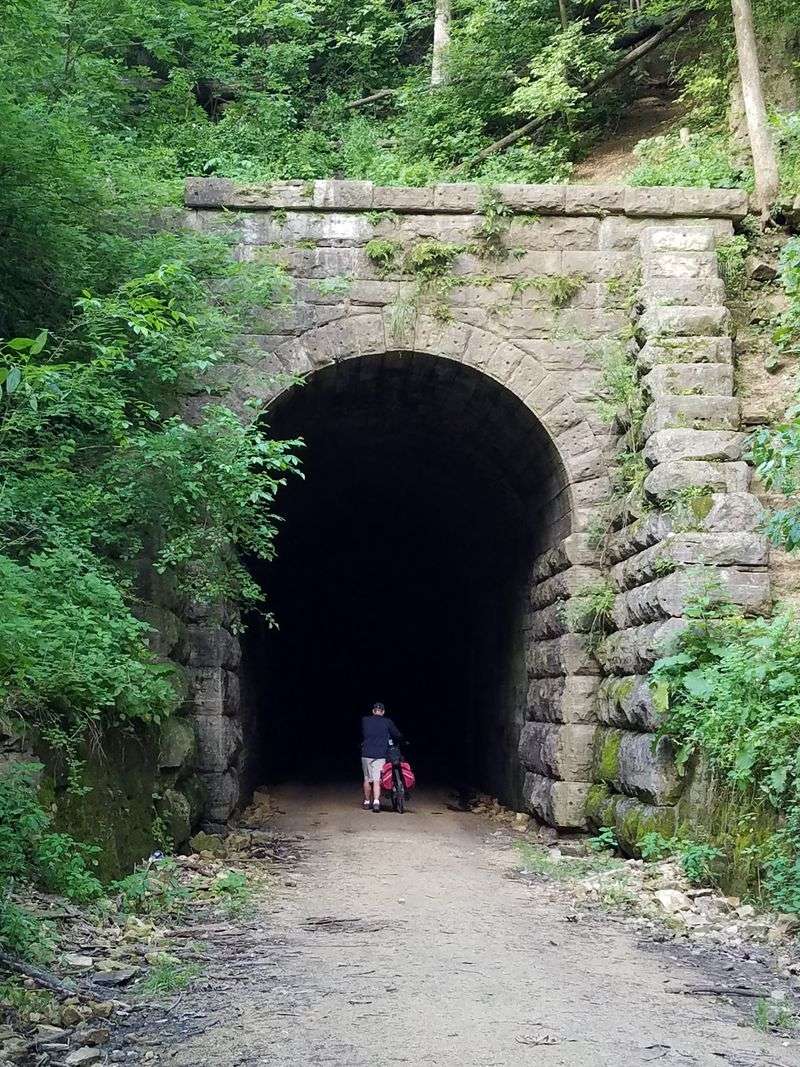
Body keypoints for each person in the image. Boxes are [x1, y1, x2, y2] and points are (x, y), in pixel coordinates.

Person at [360, 702, 402, 812]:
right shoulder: (387, 722)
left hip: (366, 754)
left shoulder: (365, 720)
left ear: (373, 711)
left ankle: (366, 801)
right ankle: (376, 802)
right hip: (380, 755)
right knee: (376, 780)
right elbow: (397, 734)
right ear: (383, 712)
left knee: (366, 779)